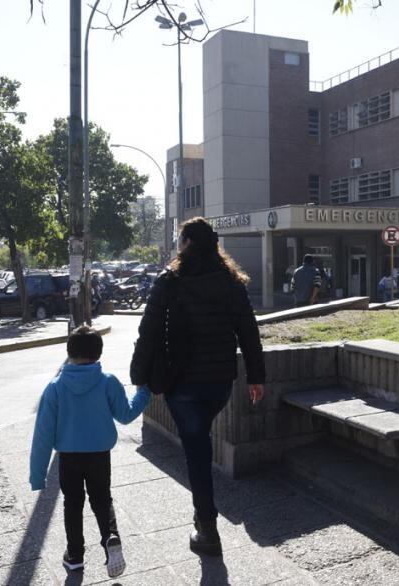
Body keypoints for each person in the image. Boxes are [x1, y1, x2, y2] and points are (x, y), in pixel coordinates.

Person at [130, 217, 265, 557]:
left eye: (180, 240)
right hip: (219, 382)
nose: (178, 245)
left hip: (182, 382)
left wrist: (138, 374)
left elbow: (149, 331)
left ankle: (207, 527)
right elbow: (248, 330)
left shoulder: (170, 281)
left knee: (197, 452)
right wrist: (256, 377)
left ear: (188, 243)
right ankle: (203, 517)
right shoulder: (231, 283)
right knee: (199, 442)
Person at [29, 326, 150, 577]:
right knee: (102, 499)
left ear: (69, 352)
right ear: (98, 354)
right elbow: (126, 415)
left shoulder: (55, 388)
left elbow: (42, 434)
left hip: (69, 457)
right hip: (99, 455)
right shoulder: (108, 382)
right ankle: (111, 537)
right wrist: (144, 393)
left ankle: (74, 556)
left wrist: (38, 474)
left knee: (73, 504)